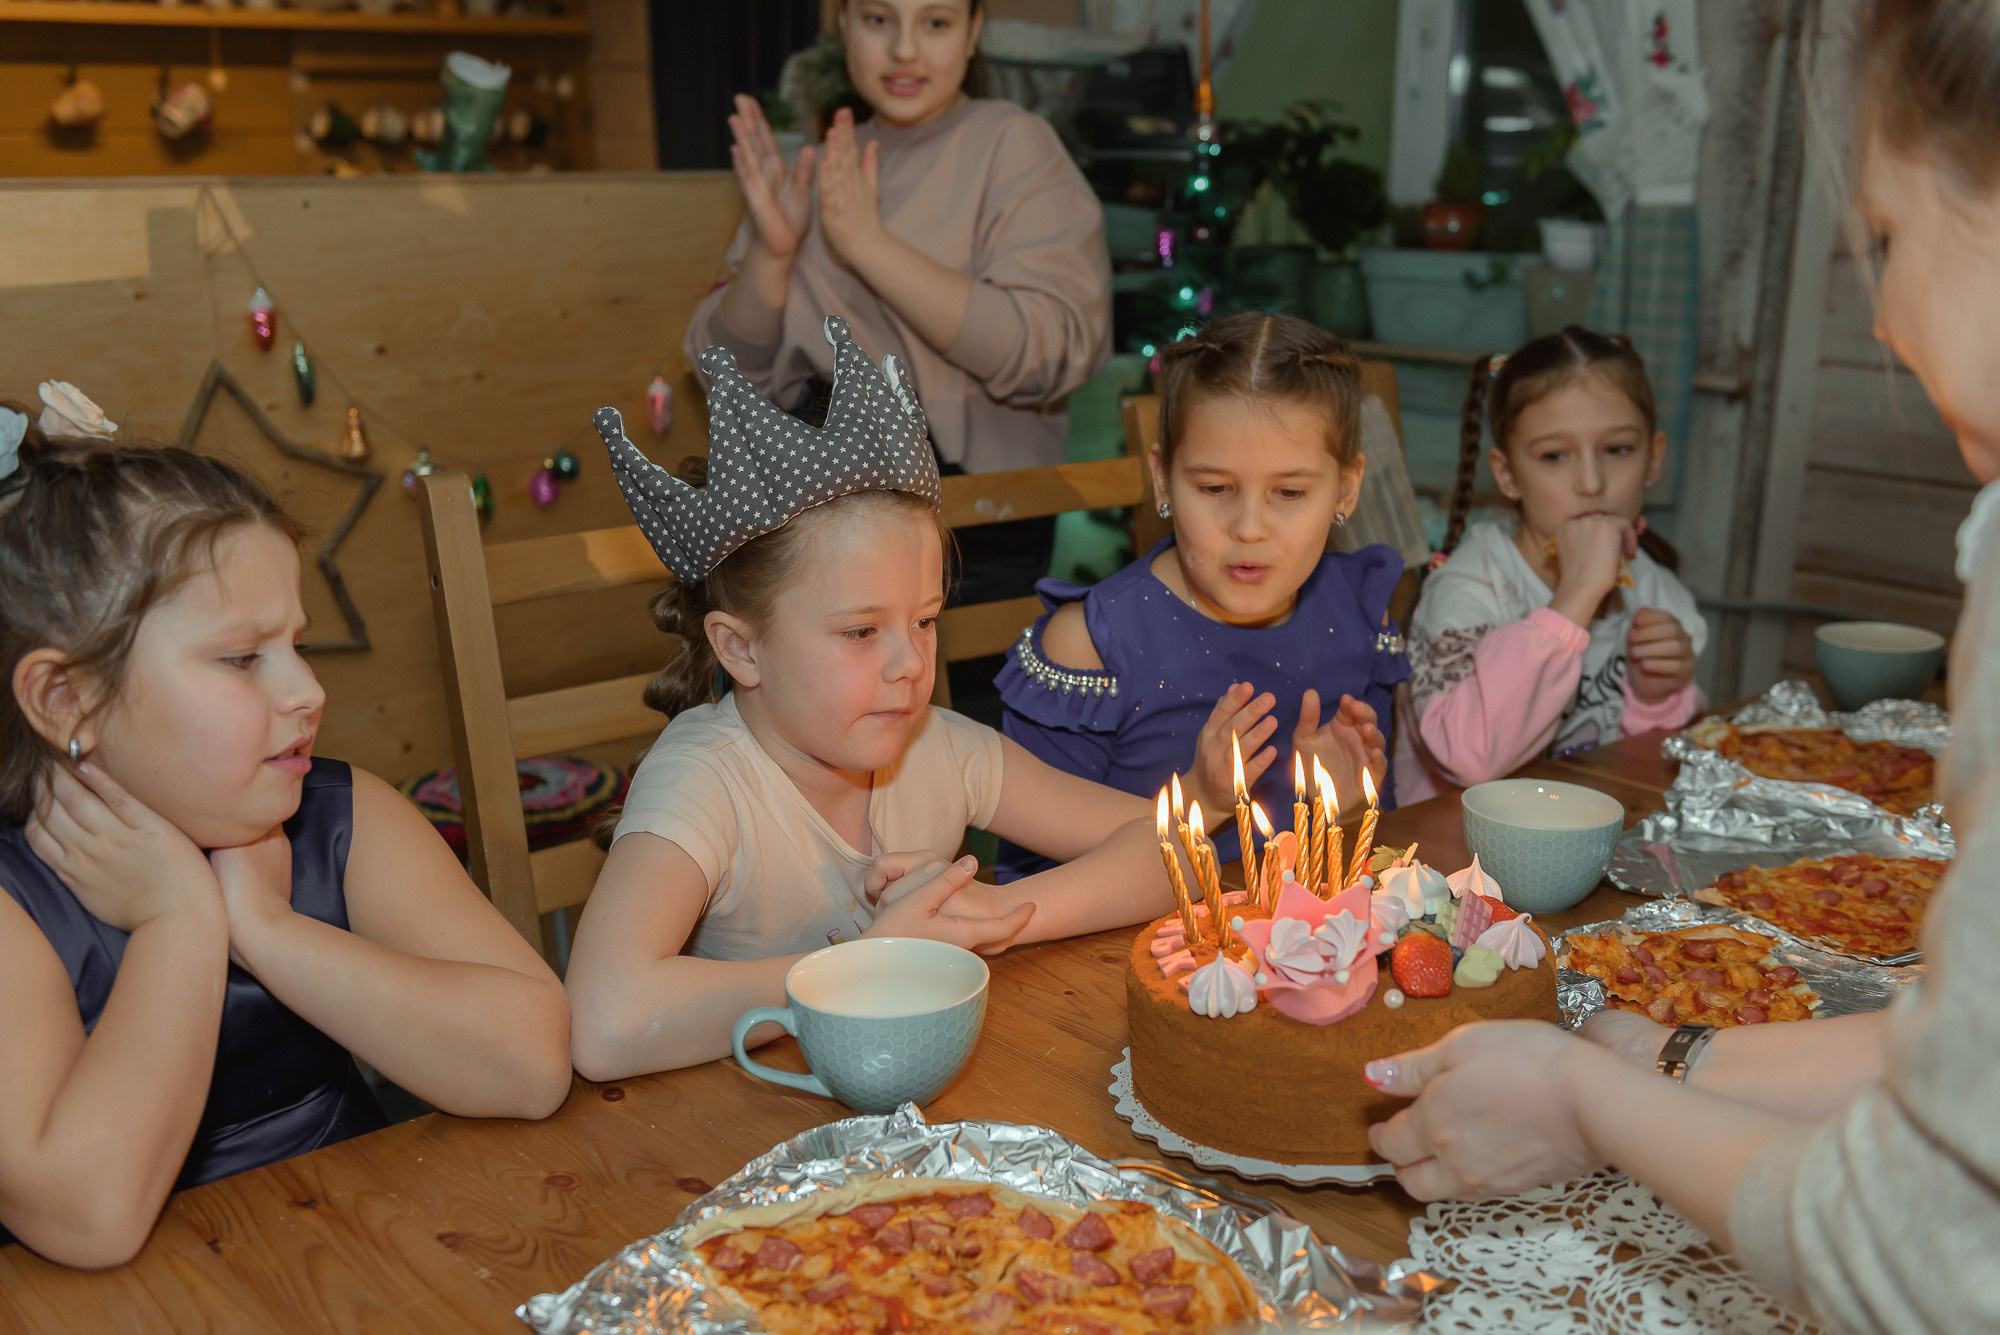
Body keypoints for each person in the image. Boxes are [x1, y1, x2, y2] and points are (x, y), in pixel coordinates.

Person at [1364, 3, 2000, 1328]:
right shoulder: (1479, 579)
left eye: (1883, 240)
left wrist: (1605, 1095)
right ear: (1502, 473)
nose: (1878, 317)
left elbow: (1922, 1248)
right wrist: (1662, 1052)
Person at [0, 425, 571, 1269]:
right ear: (66, 698)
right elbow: (89, 1219)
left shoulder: (340, 817)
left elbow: (532, 1064)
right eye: (241, 658)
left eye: (295, 645)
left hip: (370, 1258)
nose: (308, 690)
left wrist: (266, 924)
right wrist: (177, 920)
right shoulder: (15, 904)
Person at [565, 319, 1170, 1081]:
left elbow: (1168, 846)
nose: (909, 664)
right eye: (859, 632)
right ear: (741, 648)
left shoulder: (939, 747)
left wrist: (999, 917)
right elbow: (605, 1020)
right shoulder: (703, 781)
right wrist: (876, 962)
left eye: (923, 620)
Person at [687, 0, 1111, 609]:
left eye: (934, 22)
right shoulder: (820, 163)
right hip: (803, 520)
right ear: (844, 26)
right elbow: (722, 379)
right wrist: (772, 256)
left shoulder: (1013, 144)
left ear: (973, 31)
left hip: (965, 524)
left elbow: (1049, 351)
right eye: (879, 20)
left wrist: (868, 245)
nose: (905, 49)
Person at [995, 312, 1406, 880]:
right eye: (1215, 488)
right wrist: (1196, 798)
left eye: (1289, 492)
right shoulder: (1091, 644)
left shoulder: (1361, 611)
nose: (1249, 526)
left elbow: (1375, 843)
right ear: (1163, 479)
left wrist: (1344, 806)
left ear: (1347, 487)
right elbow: (1035, 875)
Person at [1395, 327, 1706, 804]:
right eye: (1554, 456)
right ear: (1507, 474)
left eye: (1617, 449)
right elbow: (1470, 759)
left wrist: (1654, 698)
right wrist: (1573, 602)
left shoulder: (1656, 589)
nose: (1591, 481)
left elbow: (1651, 777)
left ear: (1654, 457)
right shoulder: (1467, 590)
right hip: (1454, 859)